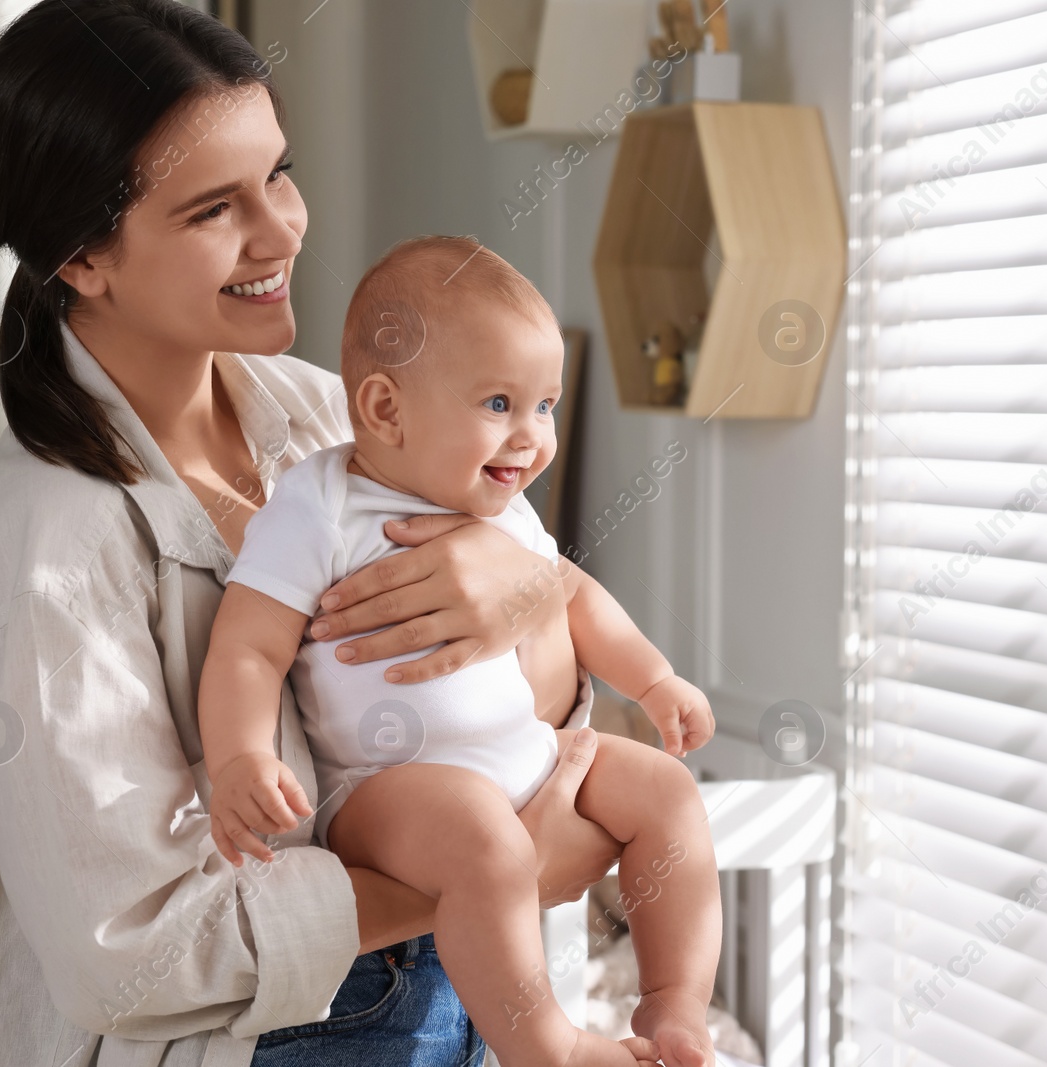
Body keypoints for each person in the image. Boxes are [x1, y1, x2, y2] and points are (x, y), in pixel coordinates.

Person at [0, 2, 621, 1064]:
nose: (285, 228)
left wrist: (526, 589)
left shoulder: (332, 416)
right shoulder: (47, 544)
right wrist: (492, 863)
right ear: (82, 258)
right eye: (214, 209)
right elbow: (124, 950)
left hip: (473, 1001)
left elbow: (523, 692)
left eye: (278, 176)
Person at [200, 236, 722, 1067]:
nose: (531, 438)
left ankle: (674, 1004)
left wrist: (654, 678)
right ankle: (548, 1045)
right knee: (486, 840)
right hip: (382, 791)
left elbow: (573, 597)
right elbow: (248, 648)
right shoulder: (320, 506)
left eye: (545, 406)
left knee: (665, 788)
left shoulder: (508, 514)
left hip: (529, 758)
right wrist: (239, 758)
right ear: (384, 409)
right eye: (499, 403)